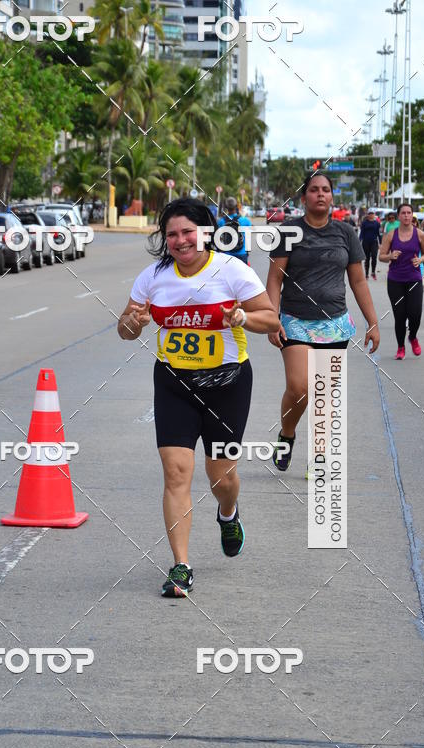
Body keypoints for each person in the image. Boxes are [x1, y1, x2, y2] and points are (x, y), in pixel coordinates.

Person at [117, 198, 279, 598]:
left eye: (187, 232)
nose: (180, 240)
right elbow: (124, 329)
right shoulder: (153, 278)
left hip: (228, 385)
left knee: (221, 476)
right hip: (175, 384)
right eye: (172, 234)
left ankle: (228, 513)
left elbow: (271, 318)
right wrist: (131, 322)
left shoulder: (231, 270)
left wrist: (243, 317)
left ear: (205, 233)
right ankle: (181, 566)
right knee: (176, 473)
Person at [266, 172, 380, 473]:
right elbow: (275, 278)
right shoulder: (288, 231)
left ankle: (319, 457)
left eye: (325, 190)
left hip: (335, 324)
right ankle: (287, 435)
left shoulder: (345, 233)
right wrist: (270, 319)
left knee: (325, 396)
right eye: (314, 190)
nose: (320, 194)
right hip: (294, 321)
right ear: (304, 197)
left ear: (331, 197)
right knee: (300, 387)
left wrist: (372, 321)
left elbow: (358, 280)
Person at [379, 202, 424, 359]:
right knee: (400, 316)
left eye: (409, 213)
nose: (407, 216)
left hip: (414, 279)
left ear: (412, 215)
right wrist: (390, 256)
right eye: (403, 213)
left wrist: (421, 260)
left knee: (415, 314)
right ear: (398, 216)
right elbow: (381, 256)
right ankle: (400, 347)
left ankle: (413, 337)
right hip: (395, 281)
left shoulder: (419, 234)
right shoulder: (391, 235)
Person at [217, 196, 252, 265]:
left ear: (226, 207)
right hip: (242, 254)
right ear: (236, 206)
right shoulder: (245, 221)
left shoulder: (221, 222)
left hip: (227, 255)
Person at [359, 210, 381, 279]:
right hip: (366, 242)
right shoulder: (364, 223)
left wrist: (381, 243)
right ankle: (366, 274)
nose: (371, 215)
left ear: (374, 215)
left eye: (372, 214)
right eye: (370, 214)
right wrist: (359, 241)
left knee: (374, 257)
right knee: (367, 258)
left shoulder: (377, 223)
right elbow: (362, 233)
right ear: (368, 215)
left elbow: (379, 234)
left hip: (374, 242)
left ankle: (373, 272)